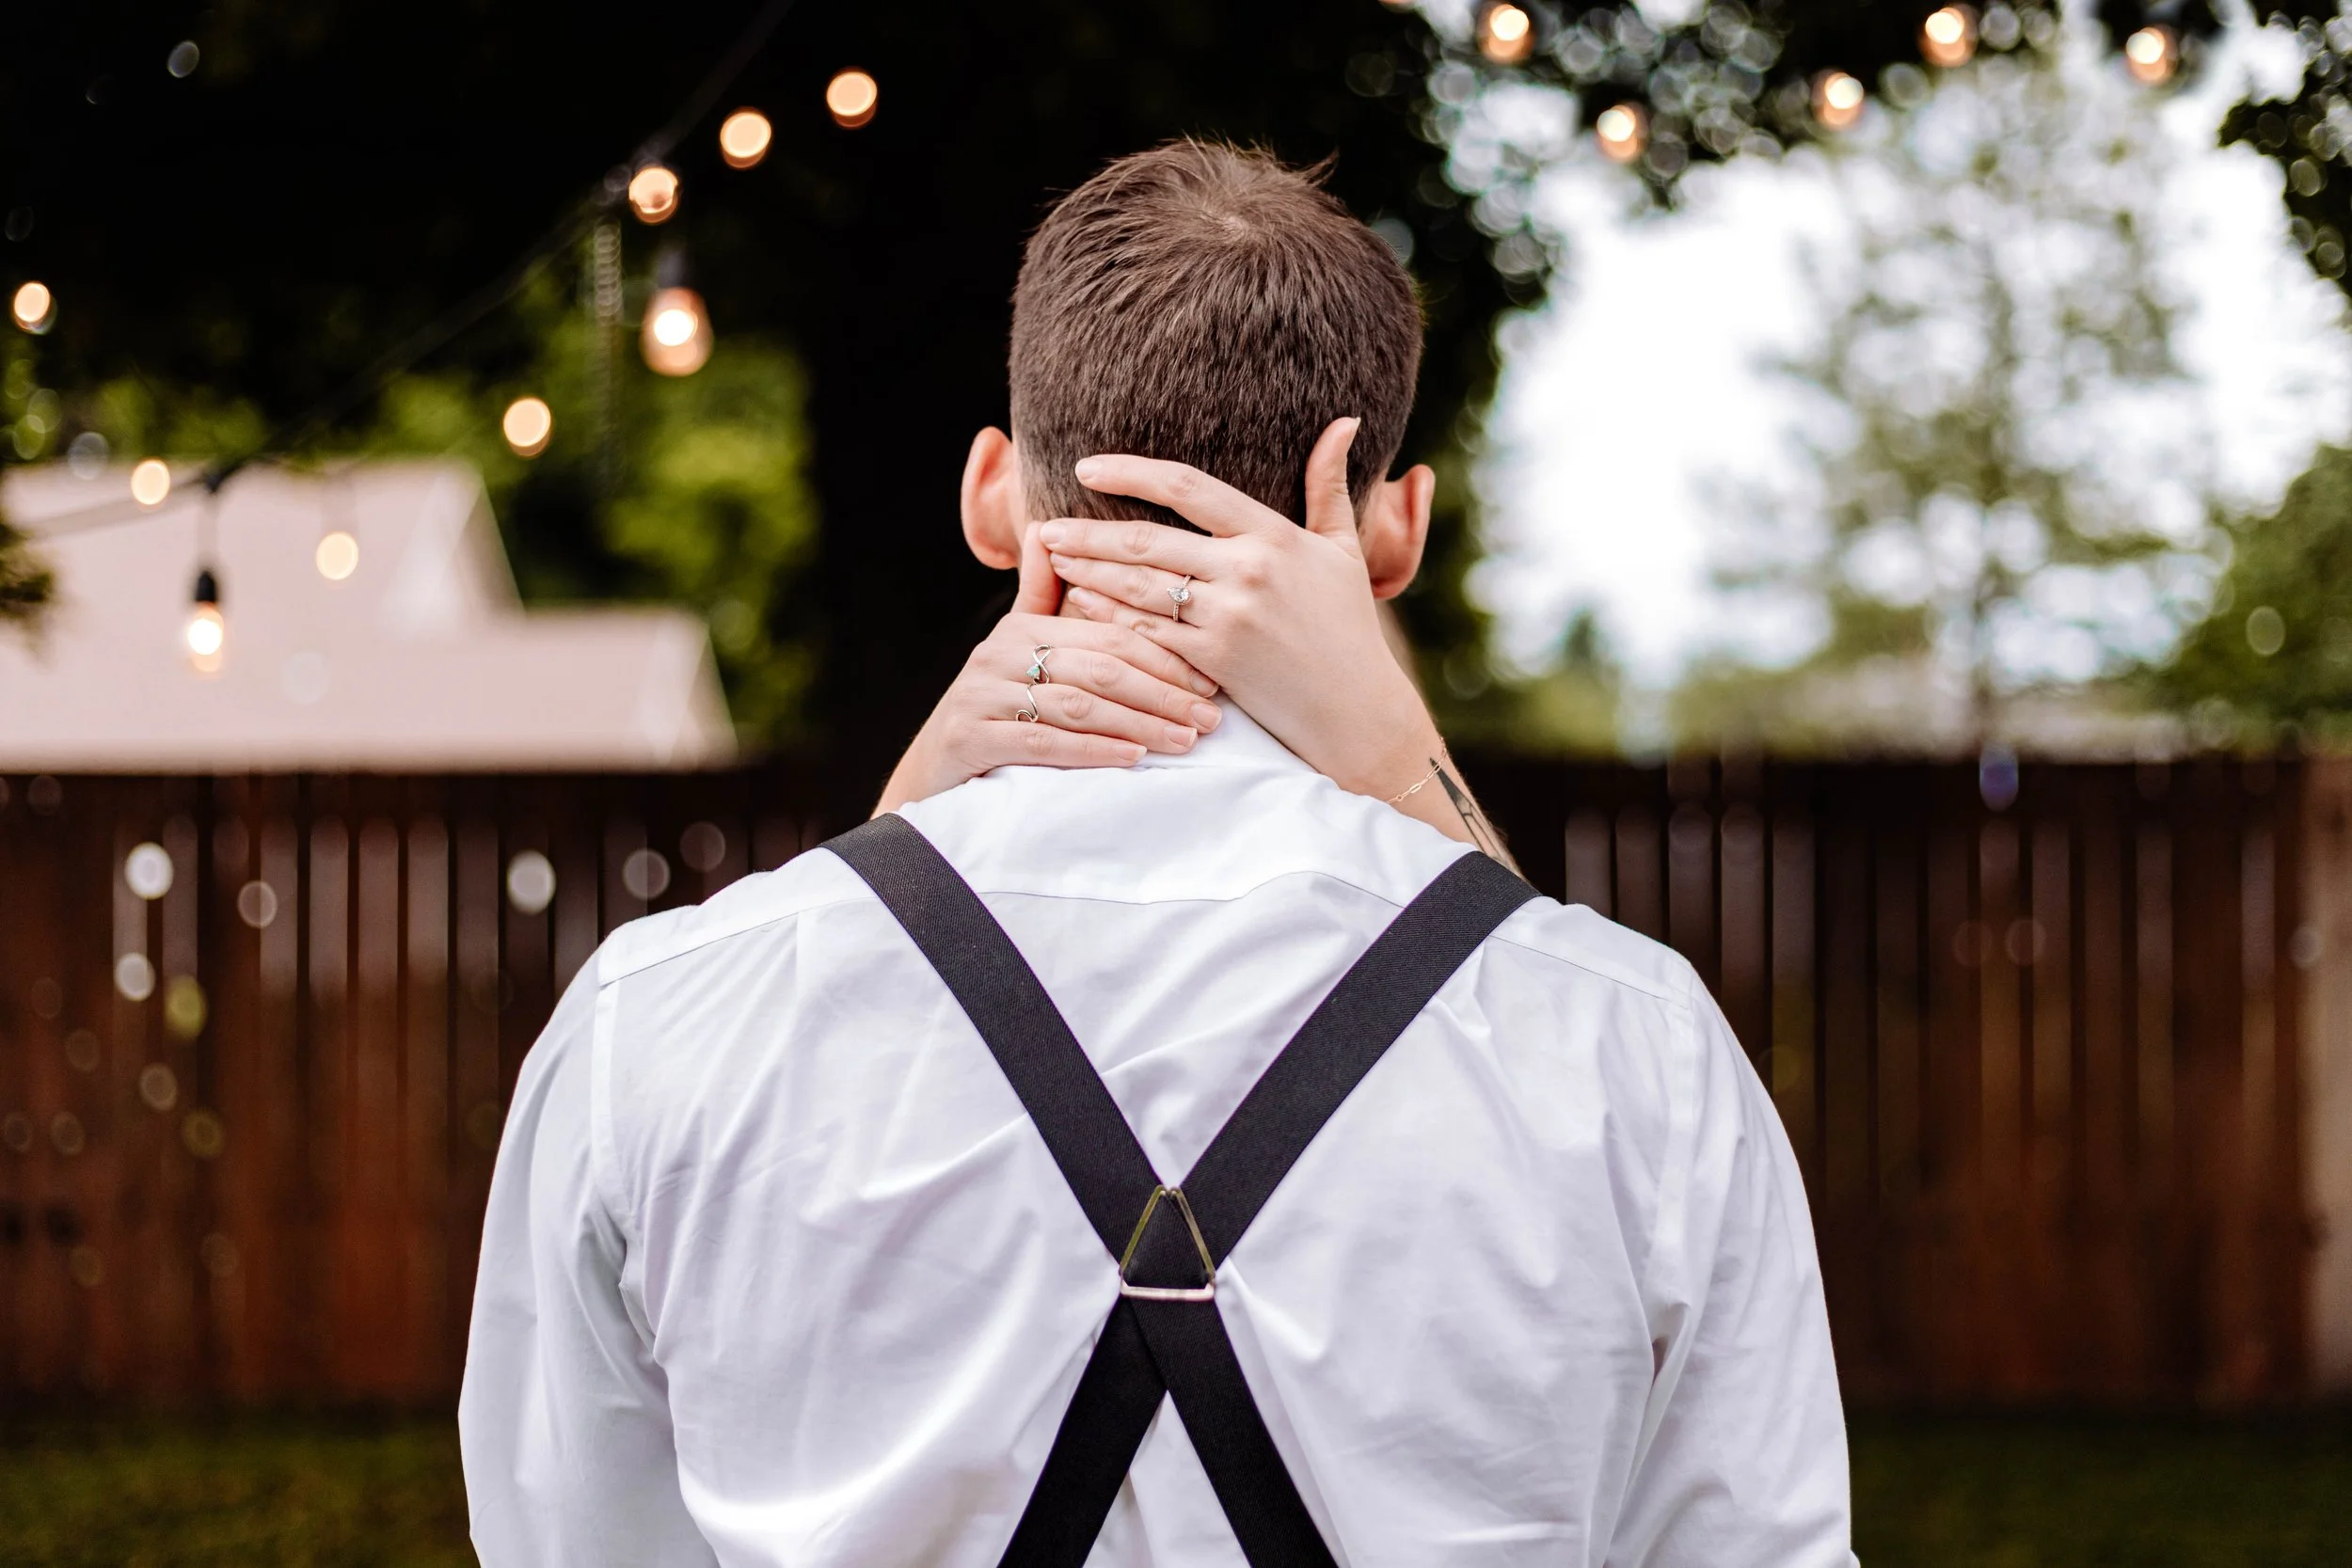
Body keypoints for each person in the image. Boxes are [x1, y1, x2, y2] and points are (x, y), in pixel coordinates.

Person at [459, 141, 1856, 1568]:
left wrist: (895, 831)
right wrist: (1406, 763)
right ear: (1395, 533)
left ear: (992, 494)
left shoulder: (661, 1023)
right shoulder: (1634, 1046)